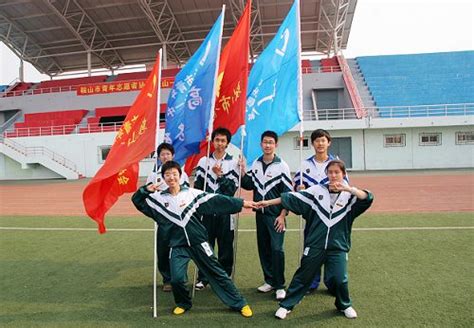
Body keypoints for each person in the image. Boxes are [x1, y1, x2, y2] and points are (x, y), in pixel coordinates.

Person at [132, 161, 254, 317]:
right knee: (176, 279)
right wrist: (144, 190)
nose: (171, 177)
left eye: (174, 174)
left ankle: (240, 303)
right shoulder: (158, 200)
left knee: (218, 273)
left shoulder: (192, 193)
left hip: (199, 242)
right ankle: (183, 303)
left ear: (180, 175)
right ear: (163, 178)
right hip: (178, 246)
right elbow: (137, 201)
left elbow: (217, 200)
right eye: (167, 174)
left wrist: (242, 203)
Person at [258, 160, 374, 320]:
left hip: (338, 247)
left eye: (337, 172)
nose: (333, 175)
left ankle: (344, 305)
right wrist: (267, 202)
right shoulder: (316, 191)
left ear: (343, 174)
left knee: (340, 279)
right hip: (315, 245)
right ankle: (286, 305)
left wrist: (348, 188)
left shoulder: (350, 197)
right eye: (330, 172)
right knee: (302, 277)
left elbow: (368, 197)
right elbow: (292, 197)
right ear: (326, 174)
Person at [240, 130, 293, 301]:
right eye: (265, 142)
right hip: (260, 215)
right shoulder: (255, 163)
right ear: (261, 144)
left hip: (276, 216)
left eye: (271, 142)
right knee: (264, 249)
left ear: (276, 145)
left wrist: (283, 215)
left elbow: (287, 195)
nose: (268, 145)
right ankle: (269, 280)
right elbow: (249, 185)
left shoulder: (282, 166)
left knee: (277, 250)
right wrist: (242, 171)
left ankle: (280, 285)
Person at [293, 129, 348, 292]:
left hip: (332, 215)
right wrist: (299, 187)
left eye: (323, 140)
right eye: (317, 141)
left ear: (329, 143)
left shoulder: (336, 164)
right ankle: (311, 282)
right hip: (313, 214)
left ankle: (332, 283)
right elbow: (296, 187)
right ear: (312, 144)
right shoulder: (305, 164)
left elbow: (345, 188)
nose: (320, 144)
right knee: (311, 247)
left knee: (332, 248)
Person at [194, 127, 240, 289]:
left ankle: (224, 278)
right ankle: (204, 278)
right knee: (205, 245)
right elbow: (198, 188)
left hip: (225, 213)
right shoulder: (203, 162)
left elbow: (230, 191)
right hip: (206, 212)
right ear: (212, 142)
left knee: (226, 247)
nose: (220, 143)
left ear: (227, 143)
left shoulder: (233, 163)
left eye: (223, 141)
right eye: (217, 140)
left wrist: (220, 175)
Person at [145, 142, 189, 292]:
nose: (165, 156)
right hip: (163, 219)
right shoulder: (154, 175)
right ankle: (167, 279)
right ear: (158, 157)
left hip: (180, 219)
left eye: (168, 154)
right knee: (163, 250)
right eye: (162, 154)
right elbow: (147, 195)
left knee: (181, 249)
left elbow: (187, 192)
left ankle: (181, 277)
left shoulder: (181, 172)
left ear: (173, 155)